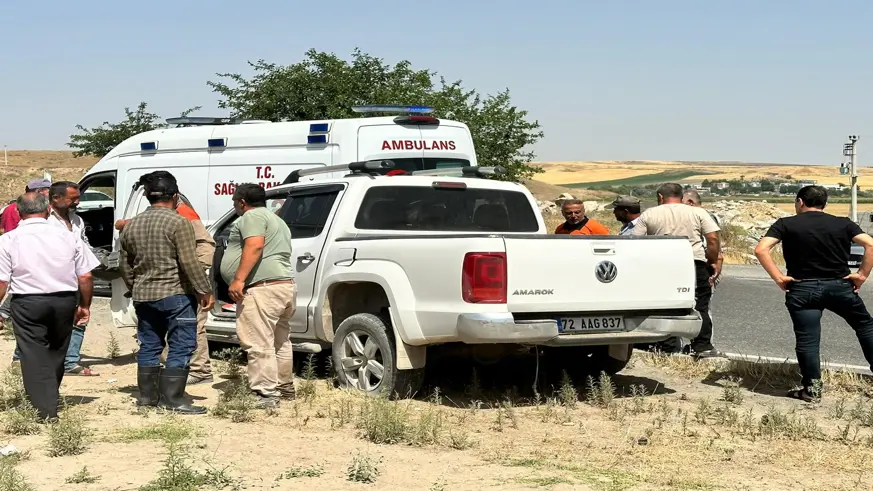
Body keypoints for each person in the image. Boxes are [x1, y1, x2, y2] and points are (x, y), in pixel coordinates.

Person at [755, 185, 873, 402]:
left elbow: (761, 249)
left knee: (808, 340)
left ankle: (812, 390)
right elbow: (870, 244)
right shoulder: (842, 223)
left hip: (802, 288)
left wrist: (779, 278)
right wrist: (862, 274)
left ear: (800, 202)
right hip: (839, 286)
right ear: (824, 204)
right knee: (865, 326)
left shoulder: (786, 224)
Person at [120, 172, 214, 415]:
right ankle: (173, 398)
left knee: (149, 345)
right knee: (181, 345)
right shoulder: (178, 222)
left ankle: (148, 397)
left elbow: (125, 265)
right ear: (174, 196)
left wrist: (135, 287)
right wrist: (204, 289)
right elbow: (189, 262)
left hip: (143, 296)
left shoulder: (131, 225)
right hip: (176, 295)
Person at [0, 192, 98, 420]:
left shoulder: (8, 240)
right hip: (64, 300)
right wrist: (85, 305)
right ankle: (48, 396)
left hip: (28, 302)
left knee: (33, 353)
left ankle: (45, 408)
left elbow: (3, 281)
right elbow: (85, 276)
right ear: (47, 210)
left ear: (18, 212)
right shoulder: (69, 236)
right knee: (57, 350)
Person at [220, 183, 295, 408]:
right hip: (283, 286)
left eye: (235, 202)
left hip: (262, 288)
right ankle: (284, 386)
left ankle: (265, 393)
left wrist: (239, 279)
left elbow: (254, 246)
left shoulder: (252, 217)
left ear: (242, 202)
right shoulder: (278, 221)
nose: (235, 206)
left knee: (258, 341)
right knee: (280, 340)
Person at [632, 183, 723, 358]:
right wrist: (711, 261)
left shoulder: (650, 214)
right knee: (699, 304)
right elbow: (712, 239)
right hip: (693, 262)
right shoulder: (697, 212)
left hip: (661, 264)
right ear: (682, 196)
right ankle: (702, 346)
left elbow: (635, 242)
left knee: (665, 304)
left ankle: (667, 345)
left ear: (660, 197)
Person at [0, 179, 52, 330]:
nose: (50, 193)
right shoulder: (17, 209)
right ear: (38, 191)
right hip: (23, 255)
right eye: (47, 190)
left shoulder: (17, 208)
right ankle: (5, 313)